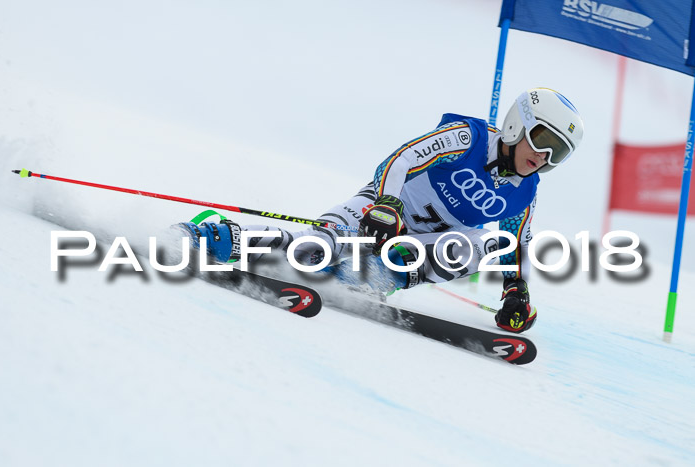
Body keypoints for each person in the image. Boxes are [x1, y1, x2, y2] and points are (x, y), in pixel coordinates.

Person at [178, 87, 584, 334]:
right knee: (316, 250)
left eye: (558, 153)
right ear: (518, 124)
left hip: (421, 243)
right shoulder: (468, 138)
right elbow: (402, 158)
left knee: (483, 242)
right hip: (383, 209)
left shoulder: (525, 192)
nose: (544, 156)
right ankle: (224, 237)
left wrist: (517, 292)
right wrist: (387, 204)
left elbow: (517, 246)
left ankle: (374, 276)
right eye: (541, 139)